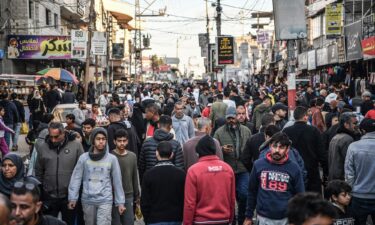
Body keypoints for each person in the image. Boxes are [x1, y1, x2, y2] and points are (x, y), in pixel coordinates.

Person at [243, 132, 305, 225]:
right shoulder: (258, 165)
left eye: (281, 147)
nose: (277, 150)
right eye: (274, 146)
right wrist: (248, 216)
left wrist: (296, 219)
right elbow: (252, 191)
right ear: (269, 146)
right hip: (263, 218)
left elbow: (300, 196)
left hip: (286, 219)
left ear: (287, 149)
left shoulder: (294, 168)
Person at [68, 127, 126, 225]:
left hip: (105, 199)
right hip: (88, 199)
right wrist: (72, 197)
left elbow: (117, 181)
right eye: (98, 139)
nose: (101, 141)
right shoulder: (84, 158)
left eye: (103, 139)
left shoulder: (112, 159)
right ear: (93, 140)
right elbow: (76, 178)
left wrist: (120, 202)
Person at [35, 122, 84, 225]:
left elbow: (82, 170)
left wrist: (76, 192)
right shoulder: (43, 147)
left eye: (56, 137)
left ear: (63, 133)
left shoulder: (76, 145)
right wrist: (42, 192)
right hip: (49, 197)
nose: (53, 140)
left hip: (69, 197)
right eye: (51, 136)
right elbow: (39, 171)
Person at [183, 135, 236, 225]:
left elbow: (190, 203)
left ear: (198, 152)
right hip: (223, 219)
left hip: (201, 220)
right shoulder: (228, 169)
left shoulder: (193, 171)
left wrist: (187, 223)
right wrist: (230, 219)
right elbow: (232, 198)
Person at [213, 106, 251, 225]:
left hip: (243, 168)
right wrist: (221, 149)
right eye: (228, 118)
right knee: (229, 198)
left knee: (244, 194)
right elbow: (214, 148)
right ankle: (232, 220)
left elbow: (250, 147)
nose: (231, 120)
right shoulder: (219, 132)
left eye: (232, 118)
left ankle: (241, 219)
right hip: (226, 169)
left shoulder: (246, 130)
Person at [283, 106, 328, 193]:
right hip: (311, 171)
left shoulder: (286, 131)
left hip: (291, 170)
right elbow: (321, 153)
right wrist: (326, 170)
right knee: (312, 200)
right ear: (305, 116)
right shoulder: (313, 131)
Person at [141, 141, 185, 225]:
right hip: (176, 218)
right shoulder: (181, 174)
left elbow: (144, 201)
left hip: (154, 219)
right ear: (172, 154)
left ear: (156, 153)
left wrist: (147, 219)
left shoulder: (148, 175)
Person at [345, 118, 375, 225]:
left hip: (359, 195)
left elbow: (349, 173)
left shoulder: (353, 147)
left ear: (362, 131)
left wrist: (350, 191)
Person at [139, 115, 184, 180]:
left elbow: (141, 167)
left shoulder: (147, 143)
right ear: (171, 126)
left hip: (151, 181)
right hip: (170, 182)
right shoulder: (176, 144)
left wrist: (143, 183)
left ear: (158, 125)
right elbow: (180, 167)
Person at [112, 129, 140, 225]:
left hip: (128, 195)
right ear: (114, 141)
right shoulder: (110, 156)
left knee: (129, 222)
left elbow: (134, 177)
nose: (122, 143)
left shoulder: (132, 156)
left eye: (124, 141)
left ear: (127, 141)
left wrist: (137, 195)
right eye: (119, 141)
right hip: (113, 195)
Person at [328, 112, 358, 181]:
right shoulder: (347, 139)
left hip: (334, 178)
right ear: (346, 125)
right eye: (354, 123)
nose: (356, 126)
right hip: (341, 179)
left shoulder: (336, 137)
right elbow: (350, 163)